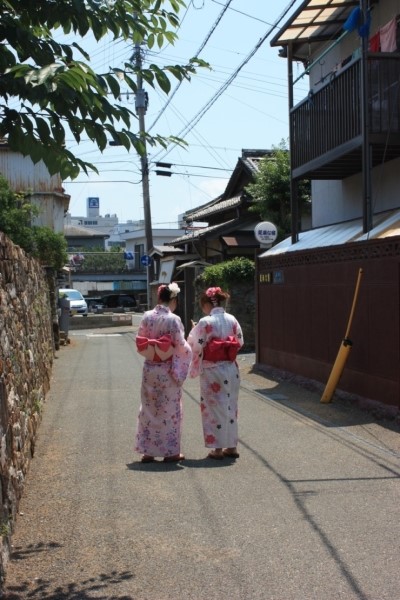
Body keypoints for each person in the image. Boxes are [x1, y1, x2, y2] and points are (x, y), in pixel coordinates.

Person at [134, 282, 192, 463]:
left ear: (159, 298)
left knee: (149, 408)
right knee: (170, 410)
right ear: (173, 299)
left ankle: (148, 452)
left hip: (150, 367)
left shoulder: (147, 316)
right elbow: (182, 347)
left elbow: (141, 339)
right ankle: (171, 452)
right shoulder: (173, 319)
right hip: (167, 369)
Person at [187, 286, 244, 460]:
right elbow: (240, 341)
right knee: (230, 406)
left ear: (206, 304)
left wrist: (196, 329)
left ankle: (218, 449)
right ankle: (232, 446)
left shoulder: (205, 322)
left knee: (213, 408)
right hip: (231, 368)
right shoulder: (232, 319)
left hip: (212, 370)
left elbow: (194, 345)